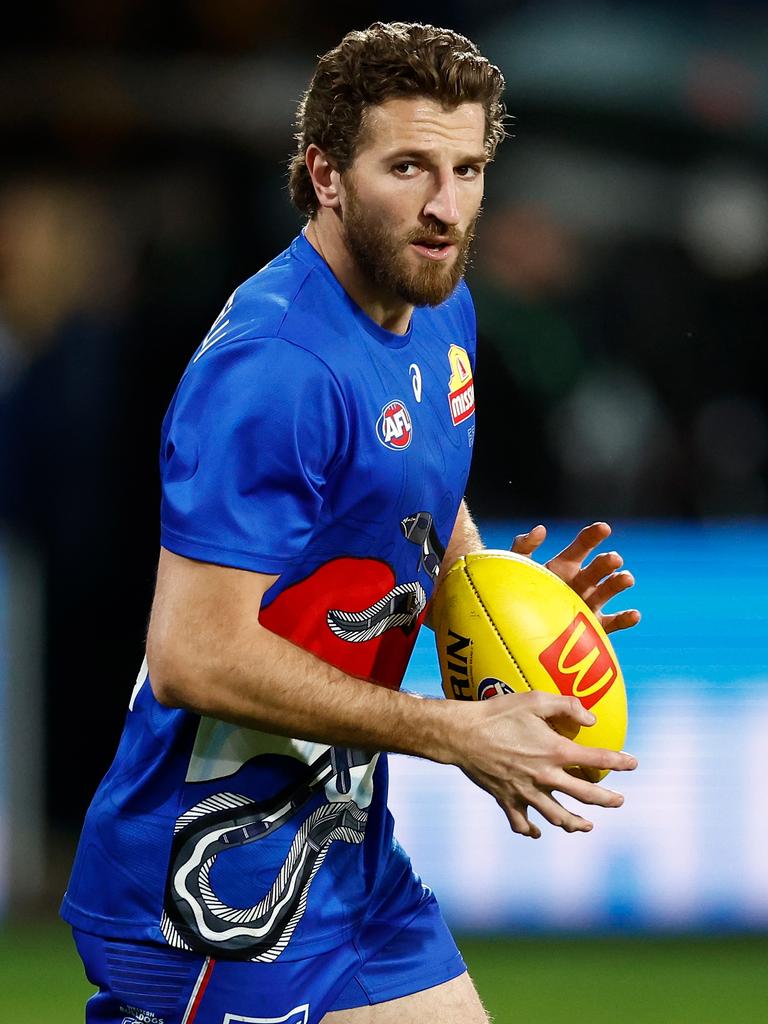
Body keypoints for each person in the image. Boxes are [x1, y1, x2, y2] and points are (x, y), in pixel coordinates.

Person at [61, 22, 639, 1024]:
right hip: (213, 886)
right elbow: (194, 655)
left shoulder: (439, 305)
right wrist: (453, 731)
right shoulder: (275, 371)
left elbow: (411, 491)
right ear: (325, 175)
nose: (446, 206)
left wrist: (495, 601)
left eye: (467, 168)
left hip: (344, 851)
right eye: (408, 166)